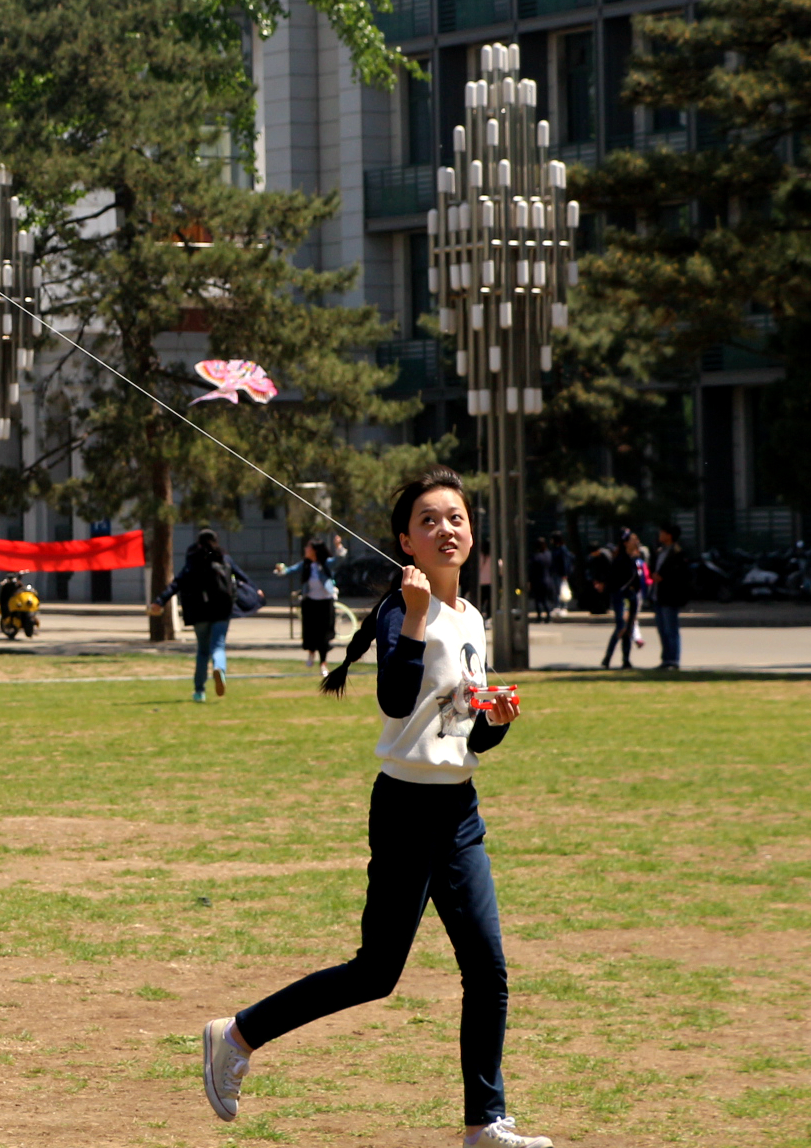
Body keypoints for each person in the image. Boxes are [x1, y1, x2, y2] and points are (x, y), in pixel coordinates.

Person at [199, 469, 546, 1148]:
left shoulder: (472, 618)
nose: (446, 529)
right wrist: (414, 616)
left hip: (459, 812)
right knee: (376, 973)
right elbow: (394, 699)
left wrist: (497, 721)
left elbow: (465, 733)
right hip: (405, 811)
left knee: (488, 970)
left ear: (471, 531)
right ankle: (237, 1035)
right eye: (428, 521)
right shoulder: (399, 611)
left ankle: (485, 1122)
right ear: (405, 542)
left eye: (455, 518)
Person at [161, 529, 237, 702]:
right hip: (221, 610)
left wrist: (160, 600)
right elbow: (240, 577)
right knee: (218, 646)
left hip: (199, 612)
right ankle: (219, 668)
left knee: (203, 651)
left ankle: (199, 691)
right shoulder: (223, 558)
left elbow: (177, 582)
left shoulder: (193, 560)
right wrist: (256, 593)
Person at [599, 529, 644, 669]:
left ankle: (626, 660)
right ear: (626, 543)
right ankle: (607, 658)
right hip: (621, 597)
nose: (636, 542)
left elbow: (638, 580)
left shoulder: (636, 559)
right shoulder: (620, 560)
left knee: (629, 630)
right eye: (632, 539)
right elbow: (613, 582)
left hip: (632, 598)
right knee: (621, 627)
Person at [649, 523, 690, 671]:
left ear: (669, 535)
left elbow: (681, 573)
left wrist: (664, 578)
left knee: (671, 629)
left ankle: (673, 660)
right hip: (658, 595)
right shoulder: (660, 551)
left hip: (670, 596)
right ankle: (665, 659)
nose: (660, 535)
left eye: (662, 532)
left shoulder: (678, 552)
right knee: (662, 630)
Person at [298, 539, 340, 670]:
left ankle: (323, 663)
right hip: (310, 603)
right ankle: (311, 653)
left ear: (314, 550)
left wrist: (338, 546)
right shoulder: (306, 564)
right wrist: (281, 570)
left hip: (325, 603)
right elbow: (291, 570)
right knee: (310, 631)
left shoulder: (325, 563)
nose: (305, 549)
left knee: (324, 633)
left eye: (308, 547)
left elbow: (339, 559)